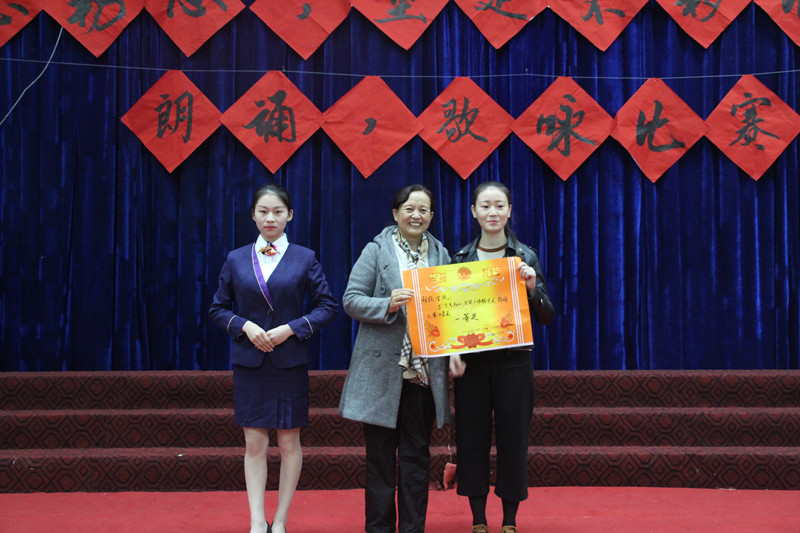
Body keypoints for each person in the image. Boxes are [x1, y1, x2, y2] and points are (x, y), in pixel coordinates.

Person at [209, 184, 338, 533]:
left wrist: (291, 329)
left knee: (288, 441)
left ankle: (279, 520)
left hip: (288, 361)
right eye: (263, 211)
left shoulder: (305, 257)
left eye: (278, 212)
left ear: (289, 215)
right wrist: (245, 326)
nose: (270, 218)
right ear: (253, 215)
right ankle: (257, 520)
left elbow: (327, 306)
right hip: (250, 361)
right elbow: (218, 309)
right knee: (254, 442)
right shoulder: (236, 258)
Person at [338, 184, 453, 533]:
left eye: (423, 210)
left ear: (431, 216)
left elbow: (449, 312)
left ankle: (413, 529)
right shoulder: (376, 250)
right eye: (409, 209)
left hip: (423, 374)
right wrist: (387, 304)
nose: (416, 215)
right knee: (380, 460)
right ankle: (379, 529)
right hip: (381, 372)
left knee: (417, 458)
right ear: (395, 213)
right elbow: (351, 300)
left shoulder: (442, 255)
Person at [449, 181, 555, 533]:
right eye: (485, 206)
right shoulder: (460, 259)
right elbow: (451, 318)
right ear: (473, 212)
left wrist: (531, 287)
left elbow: (546, 315)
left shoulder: (525, 256)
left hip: (514, 362)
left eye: (499, 206)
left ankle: (510, 521)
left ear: (509, 211)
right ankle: (478, 519)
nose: (492, 212)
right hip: (474, 364)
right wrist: (453, 352)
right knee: (471, 438)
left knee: (513, 439)